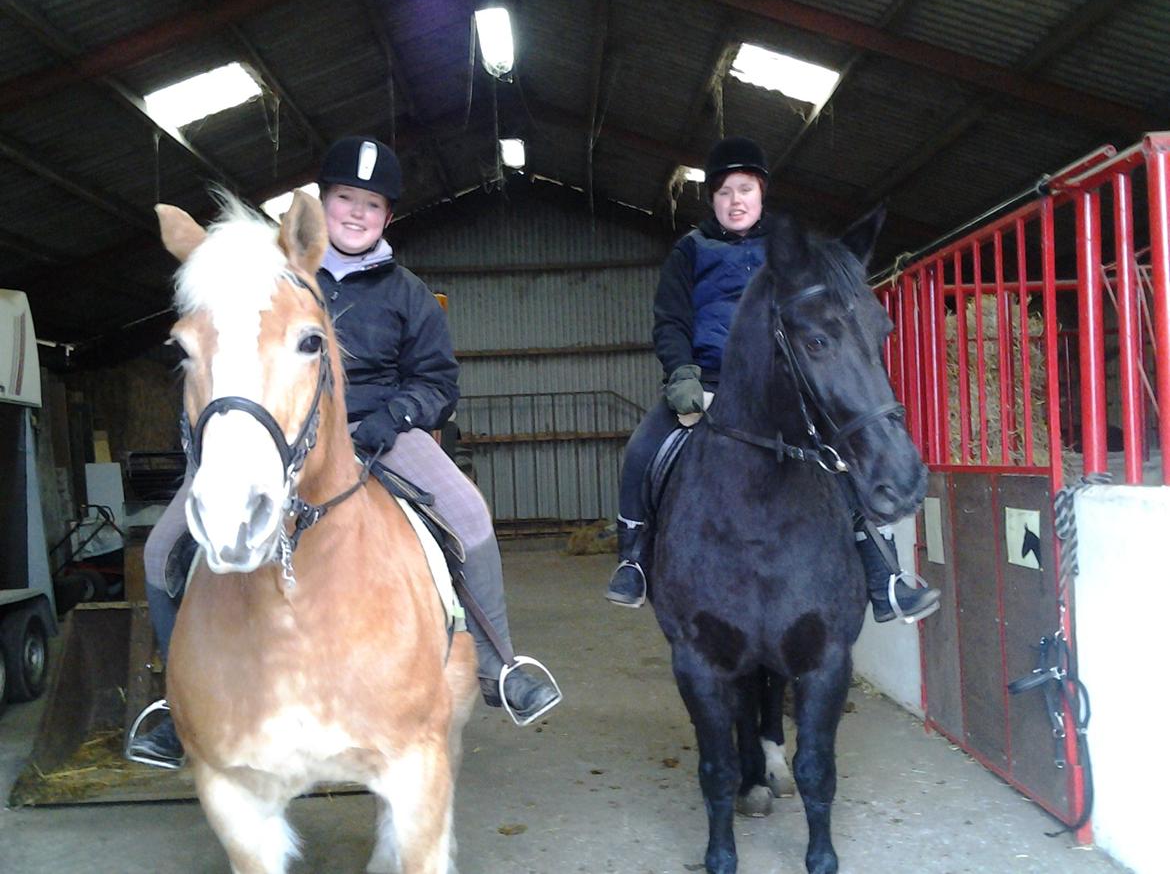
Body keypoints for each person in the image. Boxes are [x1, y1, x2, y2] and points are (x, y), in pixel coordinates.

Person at [127, 136, 561, 768]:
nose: (357, 213)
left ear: (388, 216)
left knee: (468, 515)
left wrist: (392, 419)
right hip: (270, 434)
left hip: (379, 432)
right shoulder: (269, 275)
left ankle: (499, 665)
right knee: (163, 548)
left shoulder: (407, 293)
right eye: (345, 199)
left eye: (372, 204)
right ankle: (178, 702)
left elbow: (437, 382)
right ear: (320, 204)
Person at [604, 136, 941, 624]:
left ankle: (884, 577)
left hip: (781, 387)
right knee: (642, 447)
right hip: (708, 383)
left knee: (841, 454)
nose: (735, 201)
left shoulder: (788, 252)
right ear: (712, 200)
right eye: (724, 192)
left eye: (745, 189)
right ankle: (633, 559)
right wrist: (681, 375)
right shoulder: (690, 251)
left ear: (762, 193)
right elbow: (671, 321)